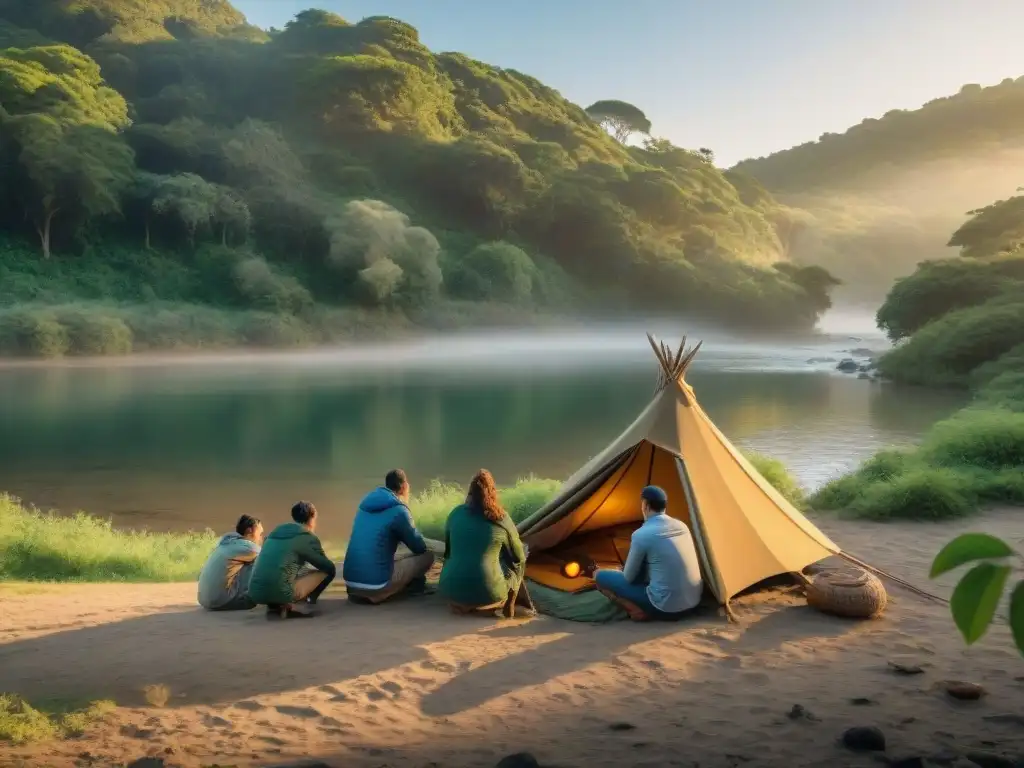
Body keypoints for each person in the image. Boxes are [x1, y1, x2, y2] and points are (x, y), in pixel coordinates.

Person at [592, 485, 704, 622]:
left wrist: (617, 572)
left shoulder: (642, 534)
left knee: (600, 576)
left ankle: (635, 609)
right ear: (664, 506)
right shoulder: (682, 526)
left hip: (665, 609)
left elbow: (629, 578)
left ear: (645, 505)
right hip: (693, 602)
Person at [438, 469, 536, 618]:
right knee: (519, 555)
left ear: (470, 492)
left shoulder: (455, 514)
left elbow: (448, 552)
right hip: (488, 597)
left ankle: (462, 600)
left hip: (451, 593)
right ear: (493, 492)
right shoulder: (501, 518)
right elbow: (519, 557)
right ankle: (509, 605)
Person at [343, 469, 435, 605]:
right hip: (376, 587)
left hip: (351, 584)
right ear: (404, 487)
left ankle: (364, 589)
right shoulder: (399, 510)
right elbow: (419, 547)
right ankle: (415, 589)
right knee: (428, 556)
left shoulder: (363, 507)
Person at [248, 501, 337, 620]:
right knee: (330, 570)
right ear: (312, 517)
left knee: (286, 570)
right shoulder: (307, 537)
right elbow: (326, 565)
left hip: (255, 592)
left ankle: (274, 604)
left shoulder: (273, 534)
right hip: (282, 592)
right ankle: (308, 602)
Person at [197, 514, 264, 611]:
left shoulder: (226, 544)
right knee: (259, 563)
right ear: (250, 531)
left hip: (205, 601)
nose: (261, 538)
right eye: (260, 534)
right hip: (224, 602)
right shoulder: (247, 547)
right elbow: (268, 559)